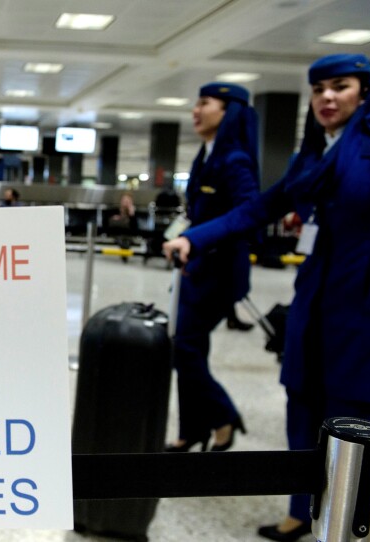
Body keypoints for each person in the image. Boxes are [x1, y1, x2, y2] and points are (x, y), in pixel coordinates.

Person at [164, 54, 370, 542]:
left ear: (363, 93)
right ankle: (301, 509)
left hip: (362, 302)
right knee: (301, 400)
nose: (326, 97)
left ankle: (355, 517)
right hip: (315, 294)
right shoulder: (312, 156)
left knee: (354, 408)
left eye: (340, 87)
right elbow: (260, 207)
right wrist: (195, 237)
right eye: (318, 88)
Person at [164, 82, 260, 454]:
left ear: (229, 111)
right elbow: (198, 212)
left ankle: (223, 417)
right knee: (189, 351)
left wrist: (199, 239)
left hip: (219, 275)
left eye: (204, 103)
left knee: (184, 349)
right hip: (195, 271)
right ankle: (191, 431)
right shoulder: (205, 156)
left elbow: (248, 212)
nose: (195, 110)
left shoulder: (234, 160)